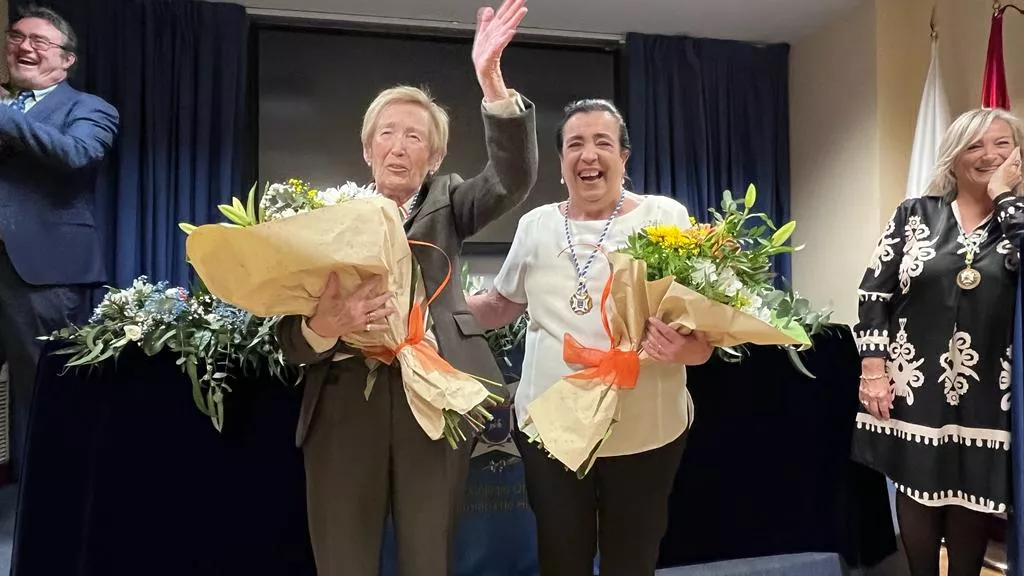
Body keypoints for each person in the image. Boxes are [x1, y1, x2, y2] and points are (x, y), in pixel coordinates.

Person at [274, 1, 538, 574]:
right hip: (344, 399)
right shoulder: (324, 216)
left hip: (434, 399)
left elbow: (512, 177)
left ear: (435, 155)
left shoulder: (450, 202)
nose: (399, 145)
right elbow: (287, 339)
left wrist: (492, 82)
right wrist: (325, 327)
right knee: (342, 557)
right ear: (367, 150)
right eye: (386, 134)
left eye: (415, 136)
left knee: (428, 556)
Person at [466, 99, 713, 576]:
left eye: (603, 142)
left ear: (624, 157)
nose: (588, 155)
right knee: (562, 559)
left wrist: (683, 348)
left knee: (632, 561)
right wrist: (429, 311)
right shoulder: (536, 226)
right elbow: (499, 304)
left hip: (646, 429)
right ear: (561, 164)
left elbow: (703, 339)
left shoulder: (665, 218)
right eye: (575, 144)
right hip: (551, 430)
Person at [852, 107, 1024, 576]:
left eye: (1002, 144)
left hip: (993, 389)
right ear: (953, 158)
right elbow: (873, 294)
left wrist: (1005, 197)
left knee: (973, 494)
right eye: (974, 145)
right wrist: (873, 371)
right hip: (913, 382)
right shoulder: (914, 215)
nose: (989, 154)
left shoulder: (1017, 220)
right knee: (919, 491)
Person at [0, 5, 119, 483]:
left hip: (43, 273)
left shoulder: (89, 108)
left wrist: (4, 116)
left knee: (46, 396)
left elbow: (77, 154)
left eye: (40, 42)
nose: (25, 47)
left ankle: (51, 505)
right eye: (16, 37)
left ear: (67, 60)